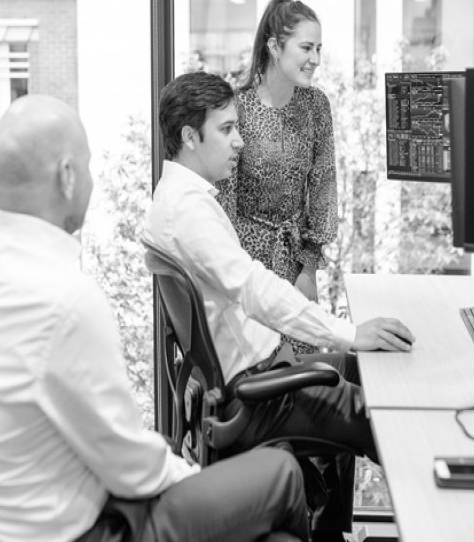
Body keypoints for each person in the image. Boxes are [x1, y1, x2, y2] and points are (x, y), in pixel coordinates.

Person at [0, 94, 309, 542]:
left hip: (7, 520)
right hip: (92, 528)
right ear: (67, 176)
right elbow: (133, 470)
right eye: (88, 166)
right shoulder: (67, 299)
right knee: (282, 472)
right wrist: (193, 478)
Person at [145, 71, 416, 542]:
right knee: (387, 420)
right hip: (259, 393)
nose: (240, 141)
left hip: (266, 370)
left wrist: (349, 340)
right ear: (190, 137)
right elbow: (255, 289)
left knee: (361, 368)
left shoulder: (179, 198)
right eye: (226, 129)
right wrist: (350, 332)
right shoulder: (187, 211)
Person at [218, 0, 335, 356]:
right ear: (274, 47)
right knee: (260, 368)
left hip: (297, 267)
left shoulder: (316, 106)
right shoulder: (236, 107)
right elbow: (224, 202)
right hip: (247, 269)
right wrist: (239, 279)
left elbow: (323, 188)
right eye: (306, 48)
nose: (315, 59)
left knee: (307, 373)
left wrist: (309, 269)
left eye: (318, 49)